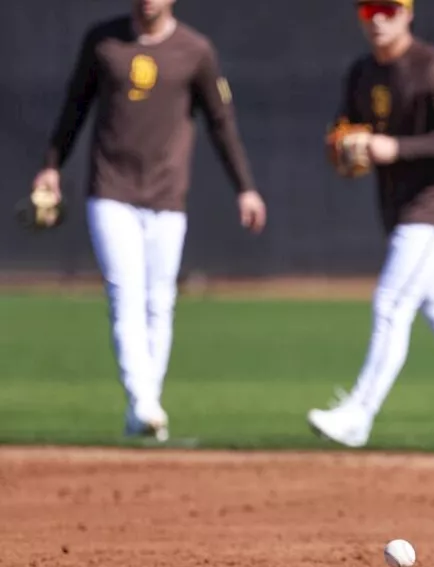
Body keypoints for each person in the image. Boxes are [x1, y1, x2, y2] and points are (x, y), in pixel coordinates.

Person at [34, 0, 267, 442]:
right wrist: (51, 165)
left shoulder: (194, 50)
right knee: (126, 296)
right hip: (111, 190)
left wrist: (245, 187)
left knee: (160, 302)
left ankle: (143, 408)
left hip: (167, 193)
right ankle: (143, 400)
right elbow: (74, 108)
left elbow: (221, 122)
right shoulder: (104, 42)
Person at [306, 0, 434, 450]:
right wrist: (343, 148)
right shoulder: (362, 72)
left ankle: (359, 415)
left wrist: (392, 148)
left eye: (388, 9)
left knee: (390, 304)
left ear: (407, 14)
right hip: (400, 208)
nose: (378, 19)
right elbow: (344, 131)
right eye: (369, 10)